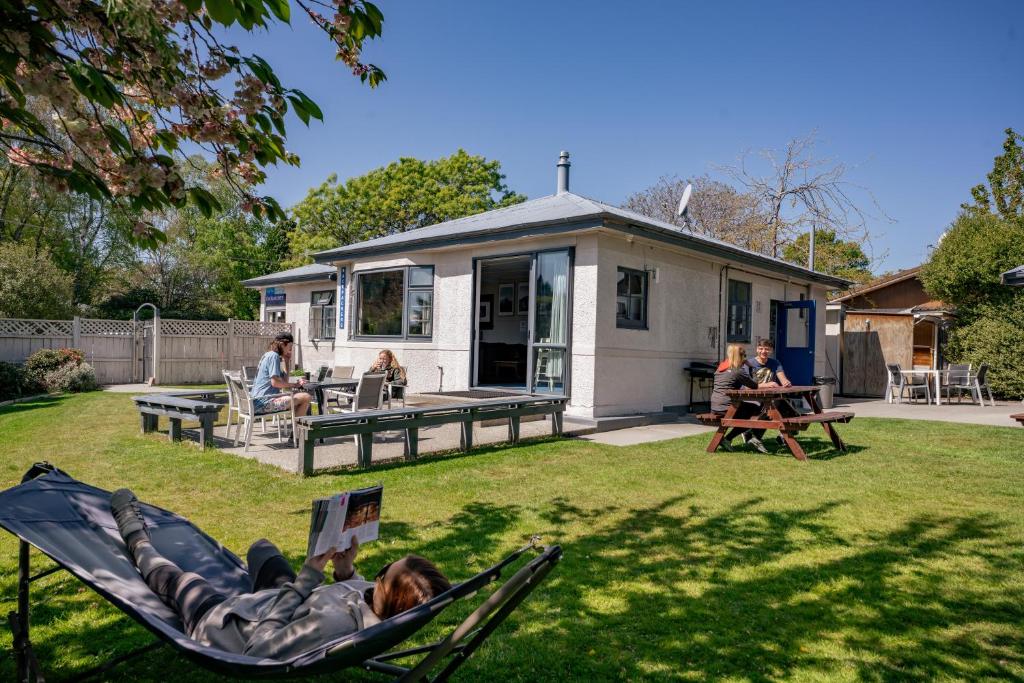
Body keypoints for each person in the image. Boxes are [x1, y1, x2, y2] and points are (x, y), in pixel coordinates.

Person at [109, 488, 451, 660]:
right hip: (277, 602)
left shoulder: (333, 626)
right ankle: (254, 585)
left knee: (181, 580)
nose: (374, 578)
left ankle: (136, 538)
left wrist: (305, 580)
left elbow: (258, 649)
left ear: (387, 596)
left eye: (381, 574)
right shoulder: (376, 606)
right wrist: (345, 571)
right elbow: (353, 597)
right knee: (262, 549)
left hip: (223, 626)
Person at [711, 344, 769, 453]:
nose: (745, 357)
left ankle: (739, 437)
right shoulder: (737, 370)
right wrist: (770, 383)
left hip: (716, 406)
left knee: (751, 409)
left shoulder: (721, 368)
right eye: (744, 355)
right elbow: (754, 385)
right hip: (728, 407)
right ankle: (745, 436)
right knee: (760, 410)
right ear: (740, 356)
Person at [251, 332, 312, 418]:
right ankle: (298, 429)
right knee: (306, 397)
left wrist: (286, 361)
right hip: (264, 403)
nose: (290, 351)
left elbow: (285, 381)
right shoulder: (274, 356)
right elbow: (275, 383)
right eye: (290, 347)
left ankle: (297, 428)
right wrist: (295, 384)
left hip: (257, 401)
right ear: (283, 344)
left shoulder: (268, 354)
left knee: (298, 396)